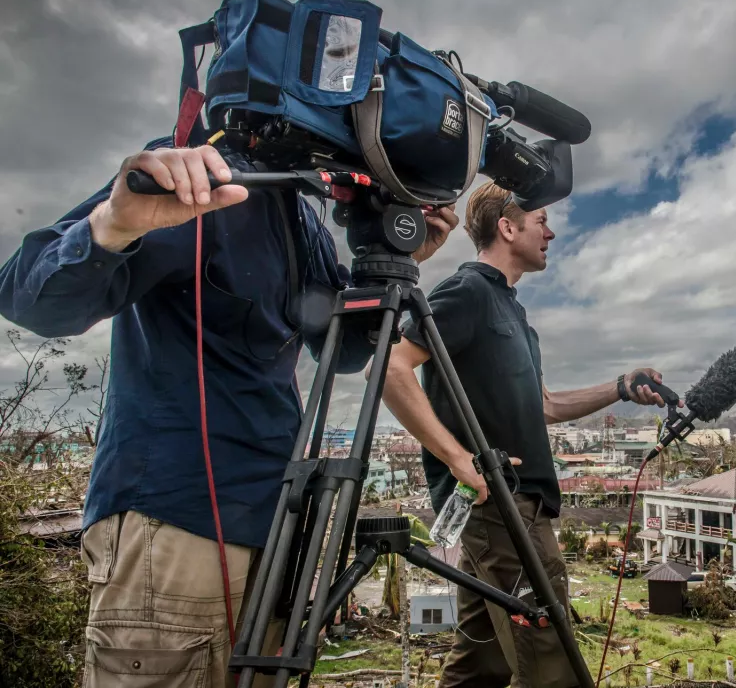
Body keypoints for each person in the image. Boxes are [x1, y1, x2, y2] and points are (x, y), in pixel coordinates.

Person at [0, 139, 457, 687]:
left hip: (272, 519)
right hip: (181, 521)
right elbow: (31, 298)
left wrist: (391, 259)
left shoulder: (295, 210)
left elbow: (344, 347)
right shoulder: (202, 178)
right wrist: (114, 225)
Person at [380, 181, 676, 688]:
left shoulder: (515, 315)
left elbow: (547, 406)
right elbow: (390, 367)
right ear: (508, 226)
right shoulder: (467, 290)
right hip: (501, 505)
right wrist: (457, 459)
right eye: (541, 220)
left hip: (516, 505)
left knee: (482, 663)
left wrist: (623, 387)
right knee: (548, 660)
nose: (552, 232)